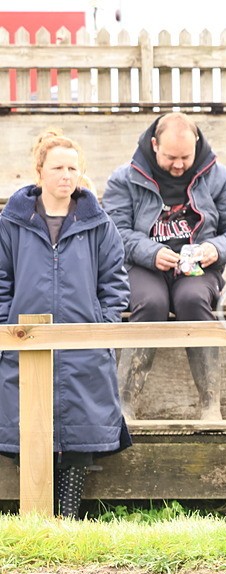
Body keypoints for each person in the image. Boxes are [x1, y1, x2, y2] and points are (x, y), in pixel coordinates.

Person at [0, 130, 131, 518]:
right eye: (57, 167)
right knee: (23, 426)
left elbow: (114, 280)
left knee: (80, 429)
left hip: (83, 345)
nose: (66, 175)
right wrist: (8, 326)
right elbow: (1, 278)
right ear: (39, 171)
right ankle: (39, 517)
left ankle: (69, 518)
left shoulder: (98, 223)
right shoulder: (11, 223)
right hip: (22, 340)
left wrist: (101, 327)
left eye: (73, 168)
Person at [103, 112, 226, 421]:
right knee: (150, 302)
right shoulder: (124, 178)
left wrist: (216, 248)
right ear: (154, 145)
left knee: (192, 300)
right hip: (143, 266)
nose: (179, 164)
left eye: (186, 156)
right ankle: (124, 404)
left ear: (197, 142)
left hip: (199, 269)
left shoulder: (219, 176)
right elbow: (114, 233)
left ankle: (210, 405)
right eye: (171, 157)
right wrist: (151, 252)